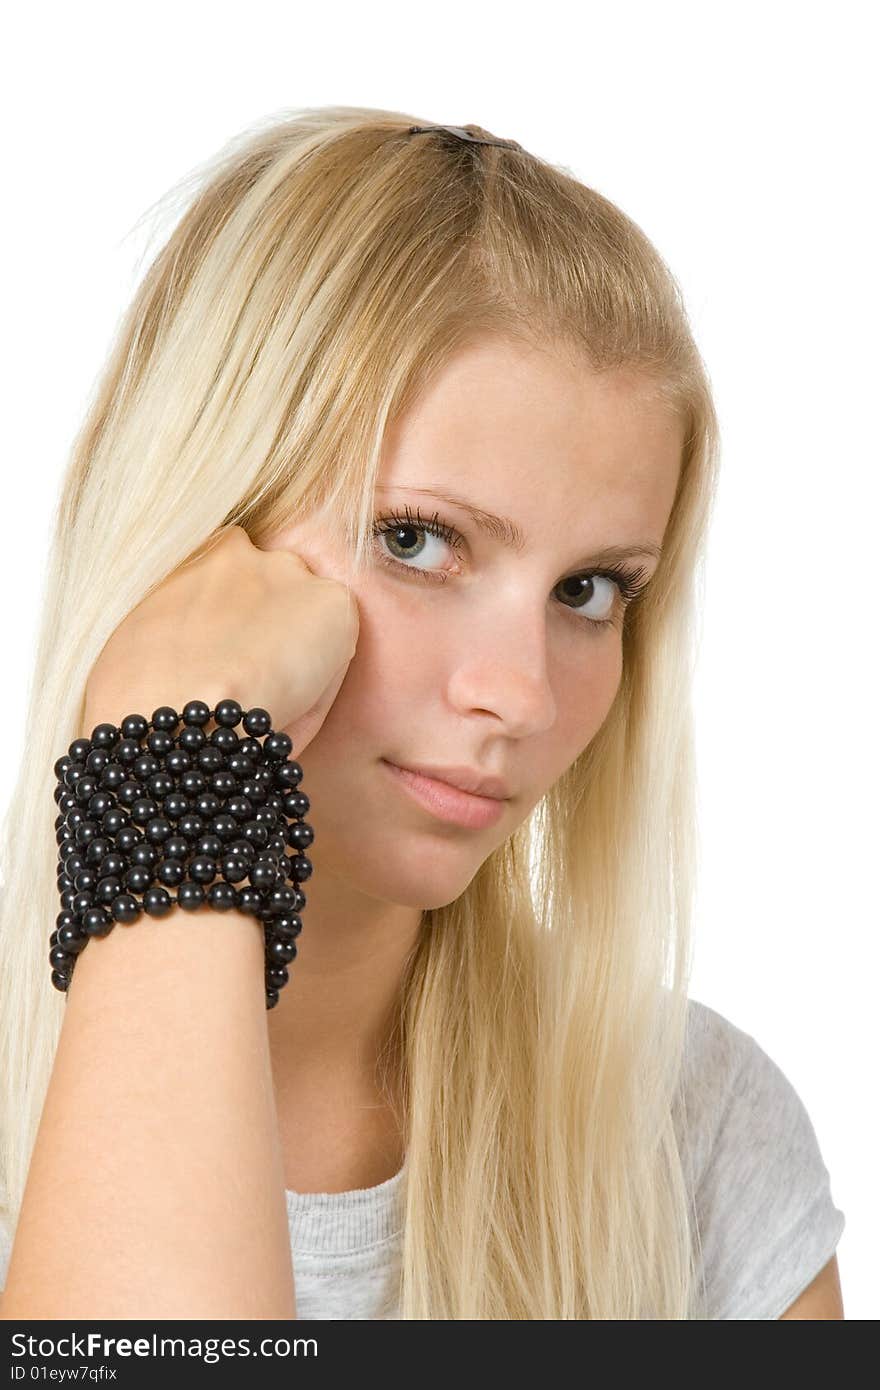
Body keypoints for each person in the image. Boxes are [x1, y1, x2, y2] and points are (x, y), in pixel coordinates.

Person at [0, 105, 845, 1319]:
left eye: (589, 589)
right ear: (199, 532)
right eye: (416, 540)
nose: (524, 691)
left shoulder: (688, 1134)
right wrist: (173, 751)